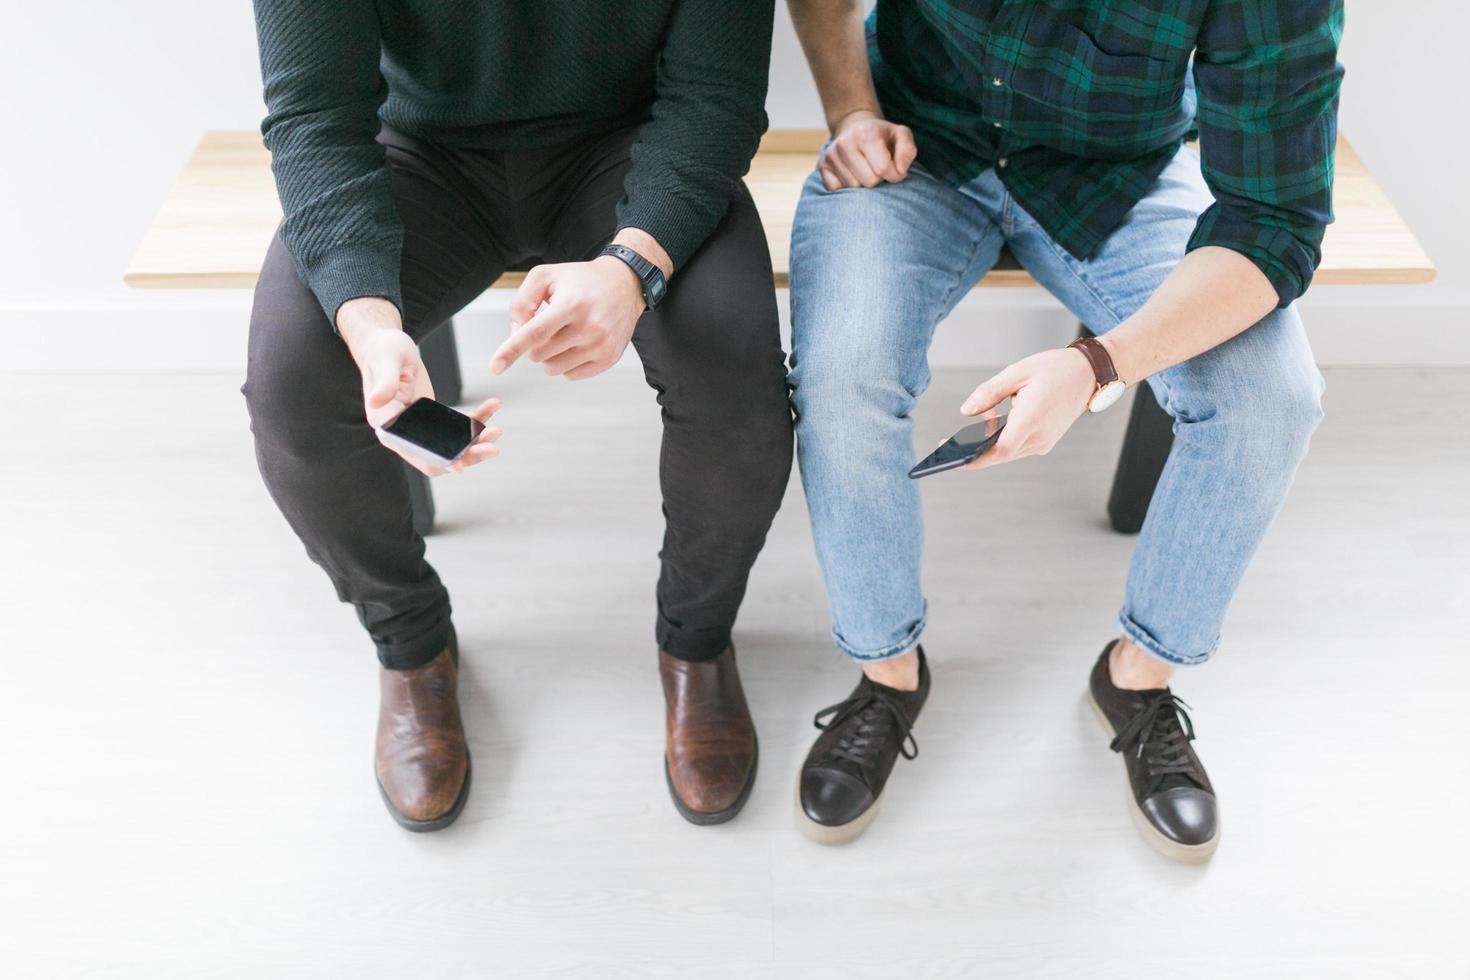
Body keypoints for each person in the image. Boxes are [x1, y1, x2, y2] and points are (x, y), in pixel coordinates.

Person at [785, 0, 1342, 859]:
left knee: (1268, 396)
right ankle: (886, 673)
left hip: (1119, 172)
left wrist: (1099, 364)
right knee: (842, 374)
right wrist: (852, 109)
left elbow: (1274, 221)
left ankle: (1137, 678)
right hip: (917, 144)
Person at [243, 0, 790, 831]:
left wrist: (631, 270)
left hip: (626, 147)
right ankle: (411, 647)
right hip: (423, 153)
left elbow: (716, 97)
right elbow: (316, 113)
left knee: (733, 372)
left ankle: (696, 640)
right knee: (296, 381)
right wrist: (371, 324)